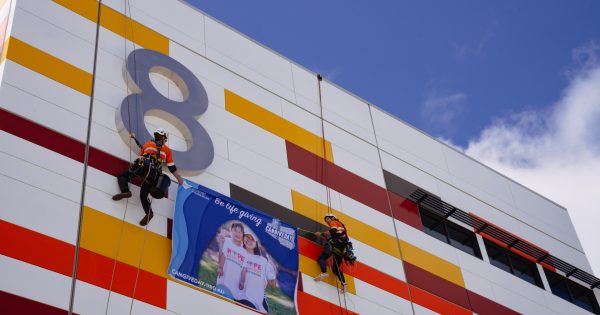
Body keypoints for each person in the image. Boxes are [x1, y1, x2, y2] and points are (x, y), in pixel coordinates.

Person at [112, 128, 184, 226]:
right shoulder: (167, 150)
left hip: (143, 167)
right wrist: (179, 178)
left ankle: (125, 191)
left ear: (155, 136)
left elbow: (141, 157)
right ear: (164, 138)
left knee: (123, 176)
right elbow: (171, 167)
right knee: (143, 195)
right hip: (154, 175)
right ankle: (149, 213)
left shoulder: (147, 144)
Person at [313, 213, 353, 292]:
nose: (327, 221)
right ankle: (344, 284)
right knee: (336, 269)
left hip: (334, 246)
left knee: (321, 258)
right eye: (326, 220)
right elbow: (331, 233)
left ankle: (324, 272)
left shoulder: (333, 222)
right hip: (341, 250)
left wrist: (321, 234)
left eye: (327, 218)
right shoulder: (341, 227)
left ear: (332, 218)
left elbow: (332, 230)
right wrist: (323, 235)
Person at [237, 234, 277, 312]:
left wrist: (273, 269)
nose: (249, 241)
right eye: (247, 238)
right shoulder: (239, 254)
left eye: (252, 239)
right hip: (241, 296)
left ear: (256, 243)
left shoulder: (264, 261)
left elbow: (273, 284)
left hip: (258, 299)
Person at [215, 222, 247, 300]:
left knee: (231, 299)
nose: (237, 234)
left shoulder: (245, 251)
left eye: (240, 232)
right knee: (219, 296)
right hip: (224, 276)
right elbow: (222, 256)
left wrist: (242, 281)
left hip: (235, 281)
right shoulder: (226, 241)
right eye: (235, 231)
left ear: (243, 234)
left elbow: (244, 268)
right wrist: (220, 267)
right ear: (231, 231)